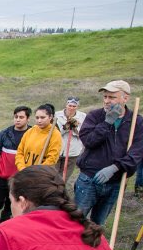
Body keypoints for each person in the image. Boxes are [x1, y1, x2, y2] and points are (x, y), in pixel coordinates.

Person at [75, 80, 143, 225]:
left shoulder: (137, 122)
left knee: (98, 222)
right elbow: (89, 141)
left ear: (125, 98)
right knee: (76, 221)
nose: (106, 101)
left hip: (116, 181)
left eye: (111, 97)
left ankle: (92, 247)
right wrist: (107, 123)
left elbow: (137, 152)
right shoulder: (95, 116)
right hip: (89, 179)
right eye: (105, 97)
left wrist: (115, 167)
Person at [0, 106, 31, 237]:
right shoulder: (4, 134)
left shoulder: (32, 134)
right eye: (16, 117)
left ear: (28, 118)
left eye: (21, 117)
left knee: (12, 206)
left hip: (20, 179)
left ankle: (3, 231)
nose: (18, 120)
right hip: (1, 177)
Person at [15, 104, 62, 171]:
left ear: (50, 117)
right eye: (37, 118)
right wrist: (22, 168)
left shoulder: (55, 134)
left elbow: (52, 158)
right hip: (24, 172)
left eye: (42, 117)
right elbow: (20, 152)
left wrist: (37, 171)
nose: (39, 121)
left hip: (40, 174)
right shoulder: (30, 131)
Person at [54, 97, 87, 182]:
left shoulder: (83, 116)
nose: (71, 108)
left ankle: (60, 193)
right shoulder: (56, 115)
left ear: (77, 107)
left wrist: (75, 127)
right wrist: (66, 127)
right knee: (53, 176)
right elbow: (54, 132)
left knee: (64, 178)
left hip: (72, 152)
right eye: (70, 105)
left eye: (74, 106)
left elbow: (83, 133)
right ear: (66, 105)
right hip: (56, 150)